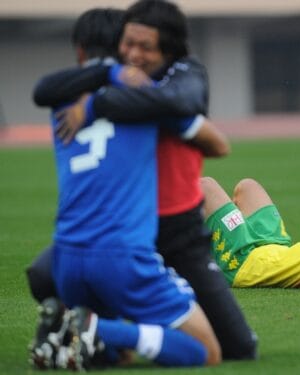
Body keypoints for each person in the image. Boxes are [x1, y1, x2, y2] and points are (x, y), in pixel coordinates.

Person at [29, 0, 257, 361]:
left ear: (169, 49)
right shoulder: (136, 90)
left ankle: (76, 325)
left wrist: (93, 105)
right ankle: (92, 328)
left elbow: (185, 100)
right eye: (128, 44)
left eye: (145, 46)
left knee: (239, 349)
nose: (134, 54)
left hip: (170, 232)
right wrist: (111, 77)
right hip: (128, 238)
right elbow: (218, 143)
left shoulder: (178, 79)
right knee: (42, 274)